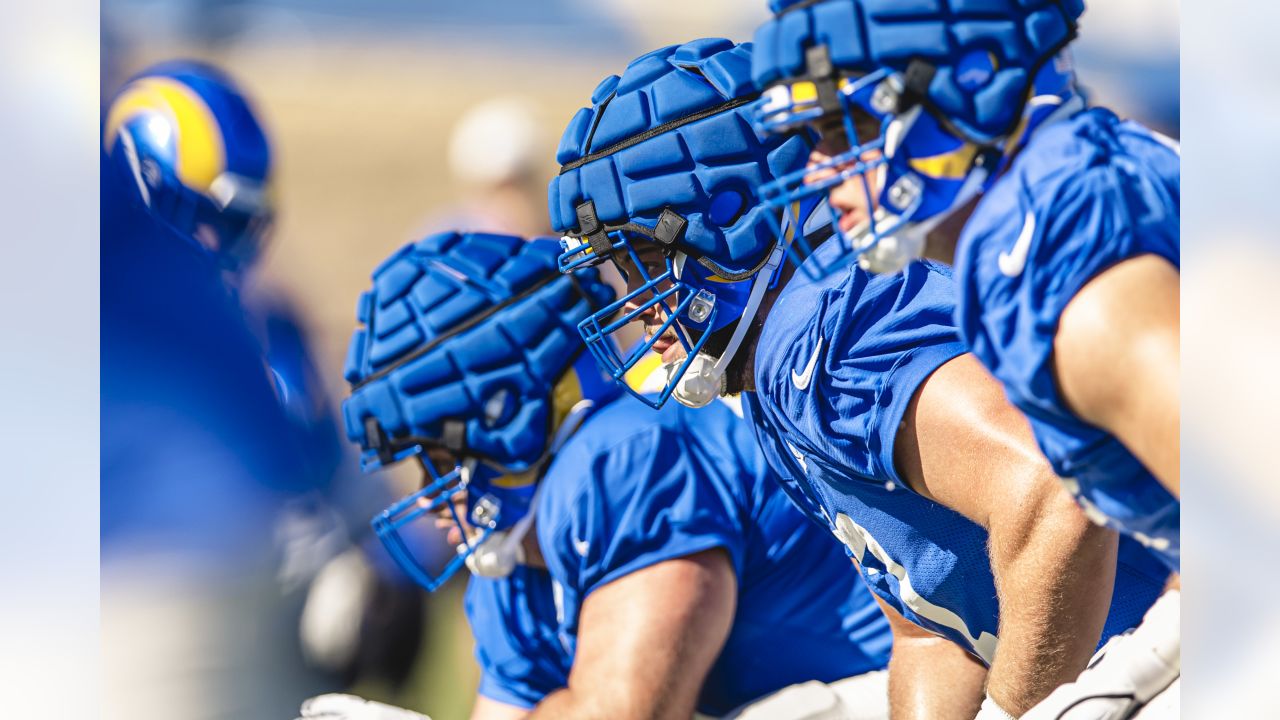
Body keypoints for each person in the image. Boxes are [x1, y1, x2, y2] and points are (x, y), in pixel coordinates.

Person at [551, 38, 1170, 719]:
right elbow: (934, 632)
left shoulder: (812, 332)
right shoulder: (767, 377)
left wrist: (1021, 711)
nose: (633, 303)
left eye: (641, 259)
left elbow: (1050, 490)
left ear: (726, 224)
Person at [335, 231, 894, 719]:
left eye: (436, 455)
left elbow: (629, 713)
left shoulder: (618, 462)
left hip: (922, 682)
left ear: (503, 418)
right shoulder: (512, 568)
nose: (430, 497)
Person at [748, 0, 1181, 571]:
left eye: (840, 127)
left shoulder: (1060, 245)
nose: (817, 170)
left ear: (967, 88)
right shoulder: (1035, 220)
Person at [103, 59, 425, 690]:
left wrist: (380, 576)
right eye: (206, 219)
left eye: (240, 227)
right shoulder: (109, 342)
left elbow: (341, 484)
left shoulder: (270, 329)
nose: (222, 247)